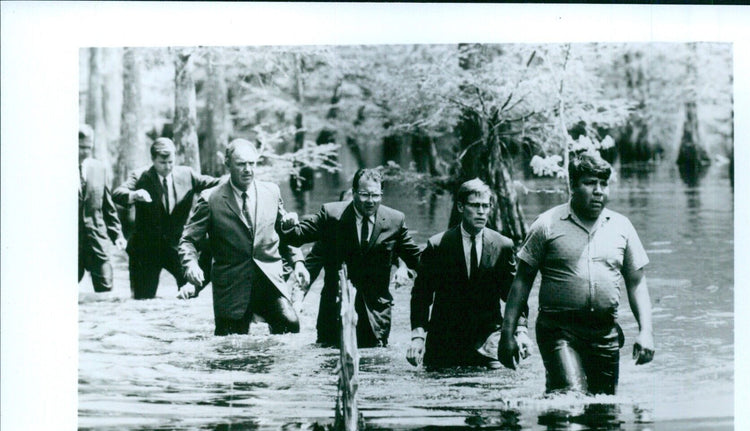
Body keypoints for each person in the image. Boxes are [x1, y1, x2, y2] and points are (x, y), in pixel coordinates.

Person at [498, 151, 655, 395]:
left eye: (603, 183)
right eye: (590, 183)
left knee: (603, 417)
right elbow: (522, 281)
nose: (599, 190)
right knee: (569, 401)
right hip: (559, 331)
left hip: (605, 332)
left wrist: (646, 332)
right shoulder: (547, 224)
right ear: (572, 186)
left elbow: (636, 282)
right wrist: (508, 334)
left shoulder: (621, 226)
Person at [178, 138, 309, 336]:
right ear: (228, 164)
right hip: (231, 286)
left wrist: (298, 262)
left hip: (269, 279)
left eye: (252, 164)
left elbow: (284, 234)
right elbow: (188, 240)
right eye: (241, 164)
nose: (248, 169)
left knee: (290, 327)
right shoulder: (210, 199)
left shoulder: (271, 192)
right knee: (231, 347)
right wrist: (191, 265)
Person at [280, 168, 421, 347]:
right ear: (354, 192)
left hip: (375, 317)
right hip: (334, 314)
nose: (370, 201)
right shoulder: (331, 215)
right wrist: (286, 223)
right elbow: (296, 237)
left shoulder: (395, 220)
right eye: (364, 195)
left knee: (375, 368)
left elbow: (417, 259)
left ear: (381, 194)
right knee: (329, 366)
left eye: (375, 195)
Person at [406, 179, 531, 369]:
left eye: (485, 206)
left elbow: (513, 295)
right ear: (460, 207)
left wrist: (521, 332)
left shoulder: (502, 245)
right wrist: (417, 337)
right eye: (474, 205)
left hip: (489, 339)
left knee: (498, 385)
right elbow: (421, 296)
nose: (481, 211)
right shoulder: (437, 245)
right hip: (445, 339)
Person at [112, 137, 220, 299]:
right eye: (163, 163)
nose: (168, 167)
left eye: (171, 162)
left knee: (189, 294)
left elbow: (215, 183)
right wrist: (134, 195)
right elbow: (117, 194)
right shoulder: (141, 176)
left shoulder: (187, 174)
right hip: (145, 250)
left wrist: (235, 180)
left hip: (177, 247)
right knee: (143, 301)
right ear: (153, 160)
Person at [78, 124, 123, 292]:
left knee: (106, 288)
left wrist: (117, 234)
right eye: (81, 147)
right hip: (69, 244)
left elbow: (108, 207)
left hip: (97, 240)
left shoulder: (99, 169)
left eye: (88, 148)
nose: (85, 152)